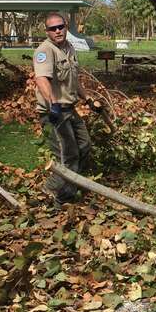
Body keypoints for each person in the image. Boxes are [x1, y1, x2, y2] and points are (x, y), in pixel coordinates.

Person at [34, 12, 95, 205]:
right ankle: (50, 194)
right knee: (67, 155)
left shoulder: (68, 48)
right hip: (54, 112)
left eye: (61, 26)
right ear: (47, 31)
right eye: (53, 28)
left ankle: (69, 190)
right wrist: (53, 104)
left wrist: (88, 99)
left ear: (66, 27)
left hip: (70, 109)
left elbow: (73, 79)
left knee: (84, 146)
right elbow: (42, 79)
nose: (58, 31)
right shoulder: (45, 51)